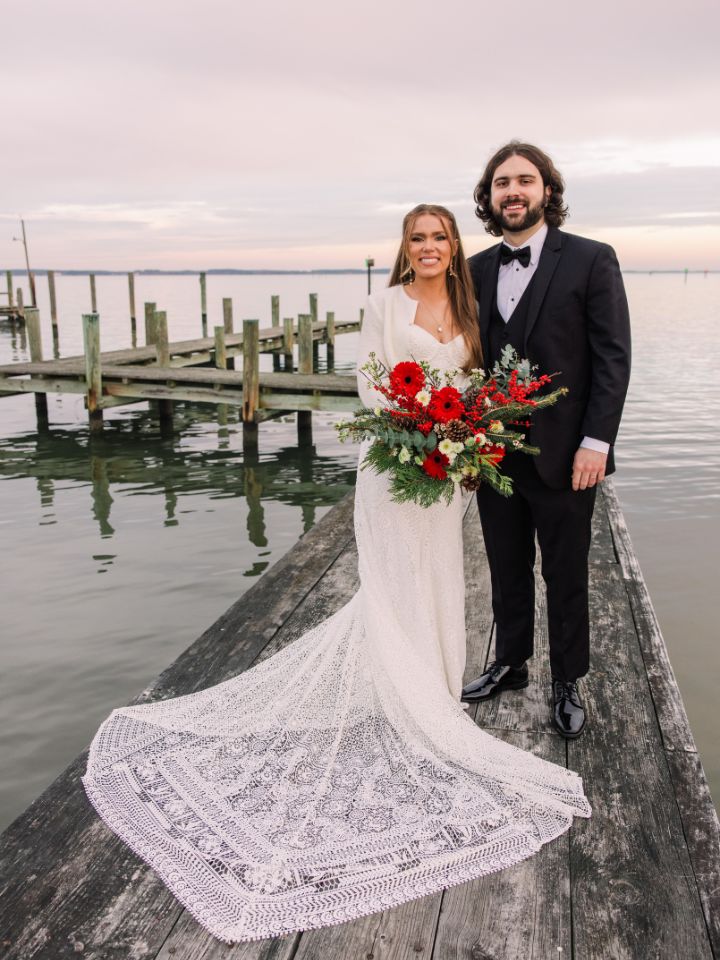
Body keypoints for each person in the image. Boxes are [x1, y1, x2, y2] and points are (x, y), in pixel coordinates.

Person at [83, 204, 590, 944]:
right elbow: (369, 381)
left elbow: (478, 382)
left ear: (453, 247)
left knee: (438, 577)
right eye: (416, 237)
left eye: (438, 236)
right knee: (392, 582)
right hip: (393, 465)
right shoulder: (383, 304)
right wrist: (418, 426)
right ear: (405, 248)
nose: (426, 247)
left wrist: (463, 435)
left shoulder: (471, 306)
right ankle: (404, 696)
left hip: (447, 474)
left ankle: (432, 692)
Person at [462, 142, 632, 738]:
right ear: (488, 197)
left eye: (524, 180)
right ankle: (509, 662)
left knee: (566, 570)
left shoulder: (591, 259)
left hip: (566, 453)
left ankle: (567, 679)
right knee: (506, 565)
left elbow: (613, 358)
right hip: (492, 451)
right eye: (501, 182)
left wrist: (597, 442)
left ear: (547, 191)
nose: (513, 191)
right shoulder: (475, 269)